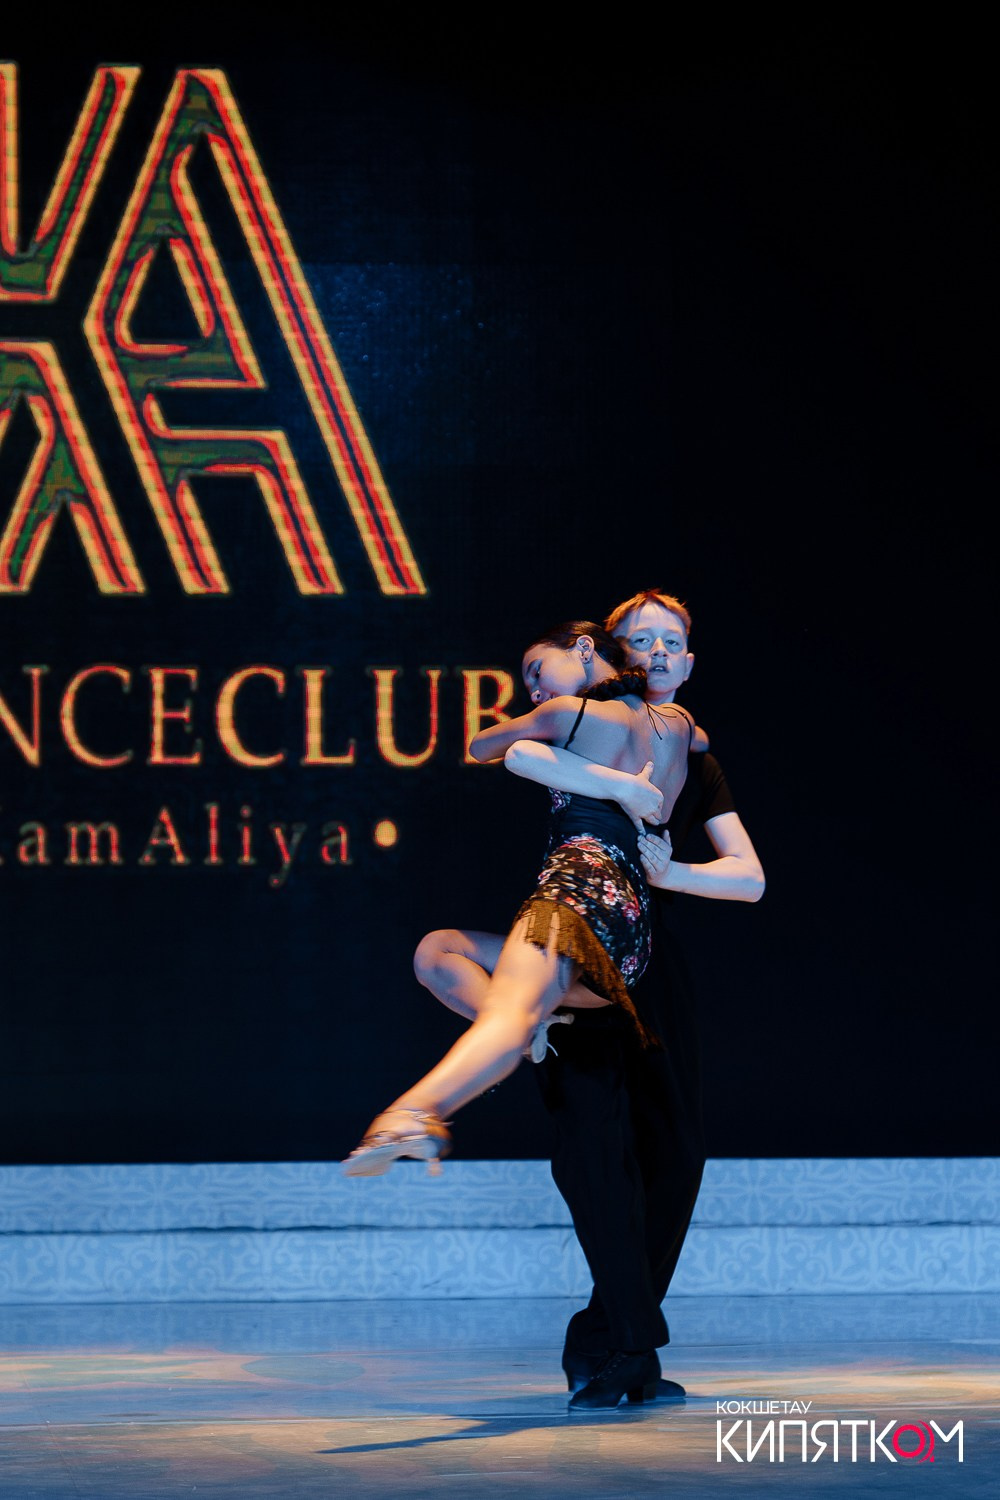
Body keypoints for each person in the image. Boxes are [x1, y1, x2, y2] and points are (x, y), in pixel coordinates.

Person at [414, 590, 764, 1409]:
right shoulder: (592, 721)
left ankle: (615, 1338)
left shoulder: (694, 752)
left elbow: (748, 877)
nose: (656, 652)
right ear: (613, 653)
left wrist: (672, 871)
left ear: (688, 660)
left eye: (671, 641)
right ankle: (617, 1349)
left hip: (651, 963)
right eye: (640, 640)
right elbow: (513, 751)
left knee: (675, 1157)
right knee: (592, 1155)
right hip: (581, 944)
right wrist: (612, 783)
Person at [343, 622, 704, 1418]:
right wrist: (616, 778)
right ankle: (529, 1031)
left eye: (538, 669)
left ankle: (415, 1112)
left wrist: (546, 736)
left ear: (585, 649)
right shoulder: (677, 728)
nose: (535, 689)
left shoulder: (576, 714)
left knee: (504, 1017)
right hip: (622, 938)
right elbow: (671, 747)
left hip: (575, 900)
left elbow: (483, 745)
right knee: (440, 951)